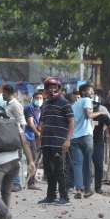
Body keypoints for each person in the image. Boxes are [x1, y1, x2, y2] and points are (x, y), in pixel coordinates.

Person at [38, 77, 74, 205]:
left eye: (54, 87)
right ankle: (50, 196)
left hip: (59, 143)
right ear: (46, 89)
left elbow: (71, 122)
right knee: (49, 171)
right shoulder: (46, 104)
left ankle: (64, 198)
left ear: (59, 88)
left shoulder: (65, 103)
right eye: (49, 87)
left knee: (60, 170)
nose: (52, 90)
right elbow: (42, 123)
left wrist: (68, 140)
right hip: (46, 142)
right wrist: (40, 140)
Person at [70, 83, 102, 199]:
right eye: (90, 90)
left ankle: (78, 189)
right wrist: (100, 113)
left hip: (74, 138)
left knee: (78, 164)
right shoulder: (87, 100)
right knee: (87, 164)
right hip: (86, 137)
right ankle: (87, 189)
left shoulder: (74, 105)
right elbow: (89, 115)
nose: (92, 92)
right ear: (83, 92)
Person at [3, 85, 27, 192]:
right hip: (8, 136)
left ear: (8, 93)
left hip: (15, 137)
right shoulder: (7, 104)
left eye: (3, 93)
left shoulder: (16, 105)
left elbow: (22, 123)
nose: (2, 95)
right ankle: (11, 183)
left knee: (14, 160)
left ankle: (16, 184)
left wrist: (20, 139)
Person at [24, 90, 43, 189]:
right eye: (37, 98)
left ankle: (31, 179)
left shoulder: (39, 109)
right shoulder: (30, 108)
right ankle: (30, 182)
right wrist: (38, 133)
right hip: (28, 136)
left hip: (34, 137)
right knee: (32, 159)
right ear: (33, 99)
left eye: (41, 98)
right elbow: (31, 123)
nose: (39, 100)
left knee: (35, 159)